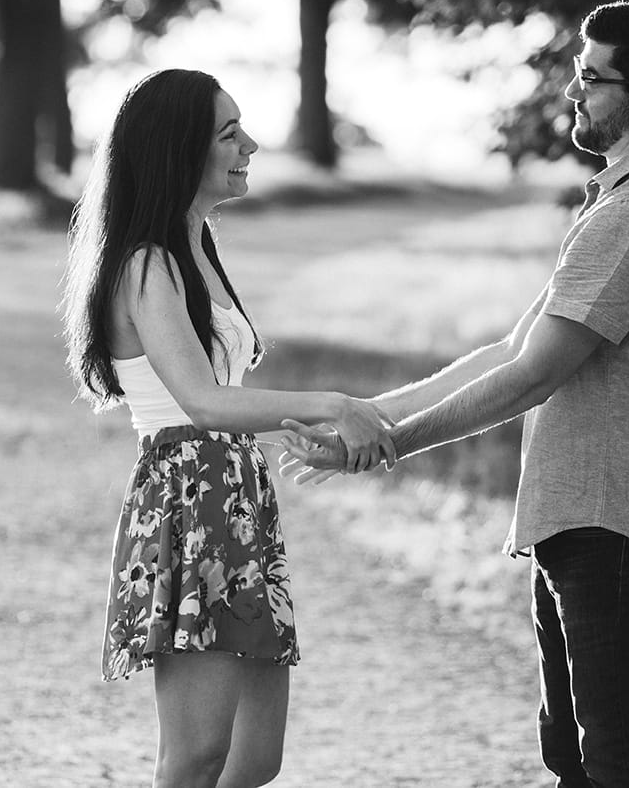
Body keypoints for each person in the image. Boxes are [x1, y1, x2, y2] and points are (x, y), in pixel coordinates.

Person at [282, 0, 629, 787]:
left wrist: (388, 446)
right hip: (578, 512)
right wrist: (377, 415)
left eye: (592, 76)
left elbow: (535, 374)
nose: (573, 92)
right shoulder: (619, 201)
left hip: (612, 513)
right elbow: (513, 347)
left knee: (617, 760)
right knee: (573, 754)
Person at [61, 68, 393, 788]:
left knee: (254, 760)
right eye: (230, 132)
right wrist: (330, 402)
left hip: (234, 498)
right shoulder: (147, 264)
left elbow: (227, 404)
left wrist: (294, 435)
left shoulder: (200, 246)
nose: (251, 145)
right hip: (186, 502)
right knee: (198, 754)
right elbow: (201, 405)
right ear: (181, 149)